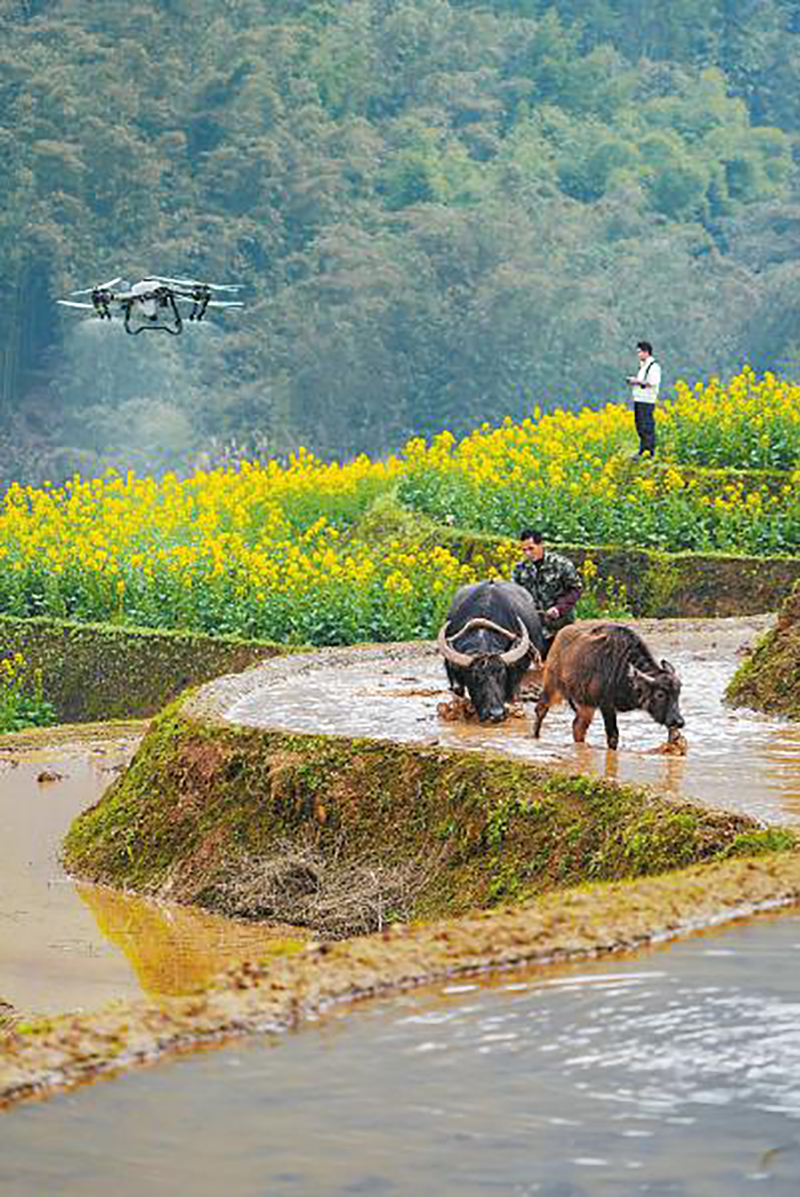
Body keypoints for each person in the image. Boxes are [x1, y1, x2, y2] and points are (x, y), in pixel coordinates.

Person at [511, 529, 582, 657]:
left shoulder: (561, 565)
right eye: (524, 550)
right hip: (533, 629)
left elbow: (575, 589)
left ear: (541, 545)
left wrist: (559, 608)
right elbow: (515, 595)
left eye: (531, 548)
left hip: (559, 628)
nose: (528, 553)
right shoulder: (519, 569)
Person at [626, 339, 661, 457]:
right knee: (640, 425)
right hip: (639, 399)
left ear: (646, 352)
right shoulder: (643, 366)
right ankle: (643, 450)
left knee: (646, 426)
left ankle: (649, 452)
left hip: (647, 400)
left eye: (640, 352)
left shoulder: (653, 366)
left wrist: (636, 381)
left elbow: (652, 382)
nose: (638, 355)